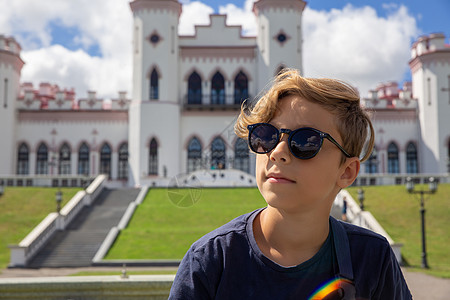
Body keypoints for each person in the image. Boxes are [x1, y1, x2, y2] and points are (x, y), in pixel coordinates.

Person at [169, 69, 411, 299]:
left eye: (305, 141)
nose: (277, 152)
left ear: (347, 171)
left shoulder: (372, 259)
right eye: (266, 136)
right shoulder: (211, 261)